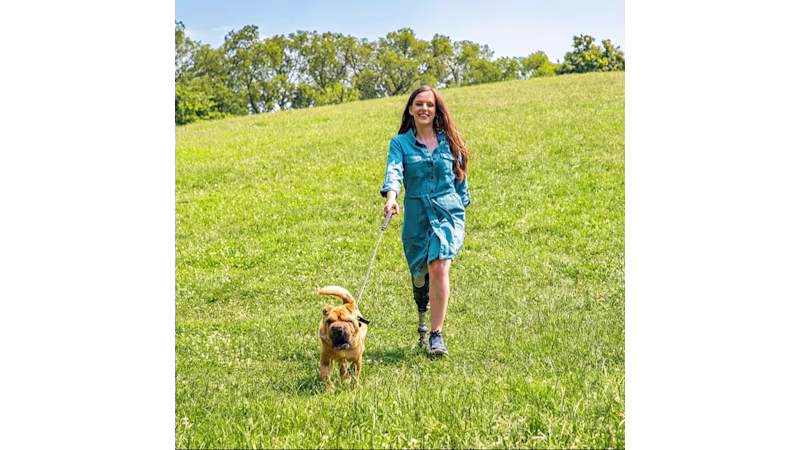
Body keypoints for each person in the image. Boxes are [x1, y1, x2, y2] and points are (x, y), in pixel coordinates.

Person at [380, 85, 471, 356]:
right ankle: (422, 305)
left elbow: (460, 176)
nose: (424, 109)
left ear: (436, 109)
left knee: (439, 264)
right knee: (420, 275)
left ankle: (436, 335)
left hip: (447, 212)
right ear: (410, 109)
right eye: (419, 104)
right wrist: (391, 198)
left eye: (429, 104)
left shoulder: (450, 141)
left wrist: (460, 207)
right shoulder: (400, 144)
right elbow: (394, 171)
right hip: (417, 215)